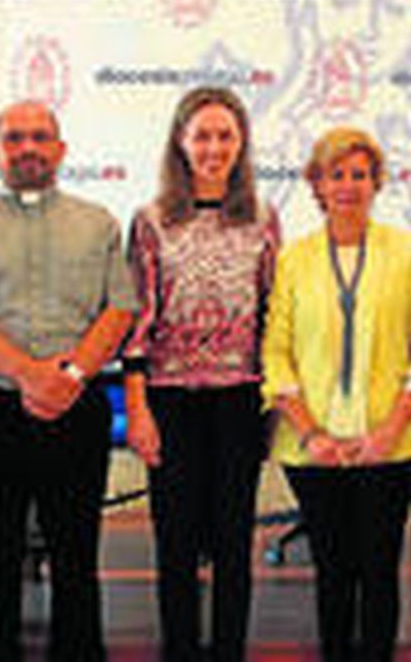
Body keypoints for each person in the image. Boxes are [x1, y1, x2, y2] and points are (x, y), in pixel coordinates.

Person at [0, 100, 137, 661]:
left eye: (40, 137)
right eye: (14, 138)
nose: (28, 148)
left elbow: (119, 309)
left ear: (61, 150)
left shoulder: (99, 225)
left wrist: (68, 376)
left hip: (76, 411)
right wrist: (28, 375)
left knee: (76, 565)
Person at [262, 127, 411, 662]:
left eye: (359, 175)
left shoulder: (406, 252)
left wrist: (388, 432)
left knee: (379, 569)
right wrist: (312, 432)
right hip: (312, 446)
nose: (348, 185)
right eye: (336, 174)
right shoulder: (293, 258)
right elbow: (276, 354)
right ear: (317, 184)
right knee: (332, 571)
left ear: (376, 183)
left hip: (393, 443)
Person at [122, 87, 280, 662]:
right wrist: (137, 408)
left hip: (240, 399)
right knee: (177, 544)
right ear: (181, 143)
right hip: (170, 400)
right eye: (202, 136)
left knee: (234, 542)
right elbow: (136, 322)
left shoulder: (264, 219)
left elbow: (272, 314)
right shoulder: (150, 221)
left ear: (240, 145)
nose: (214, 148)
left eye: (225, 136)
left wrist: (275, 402)